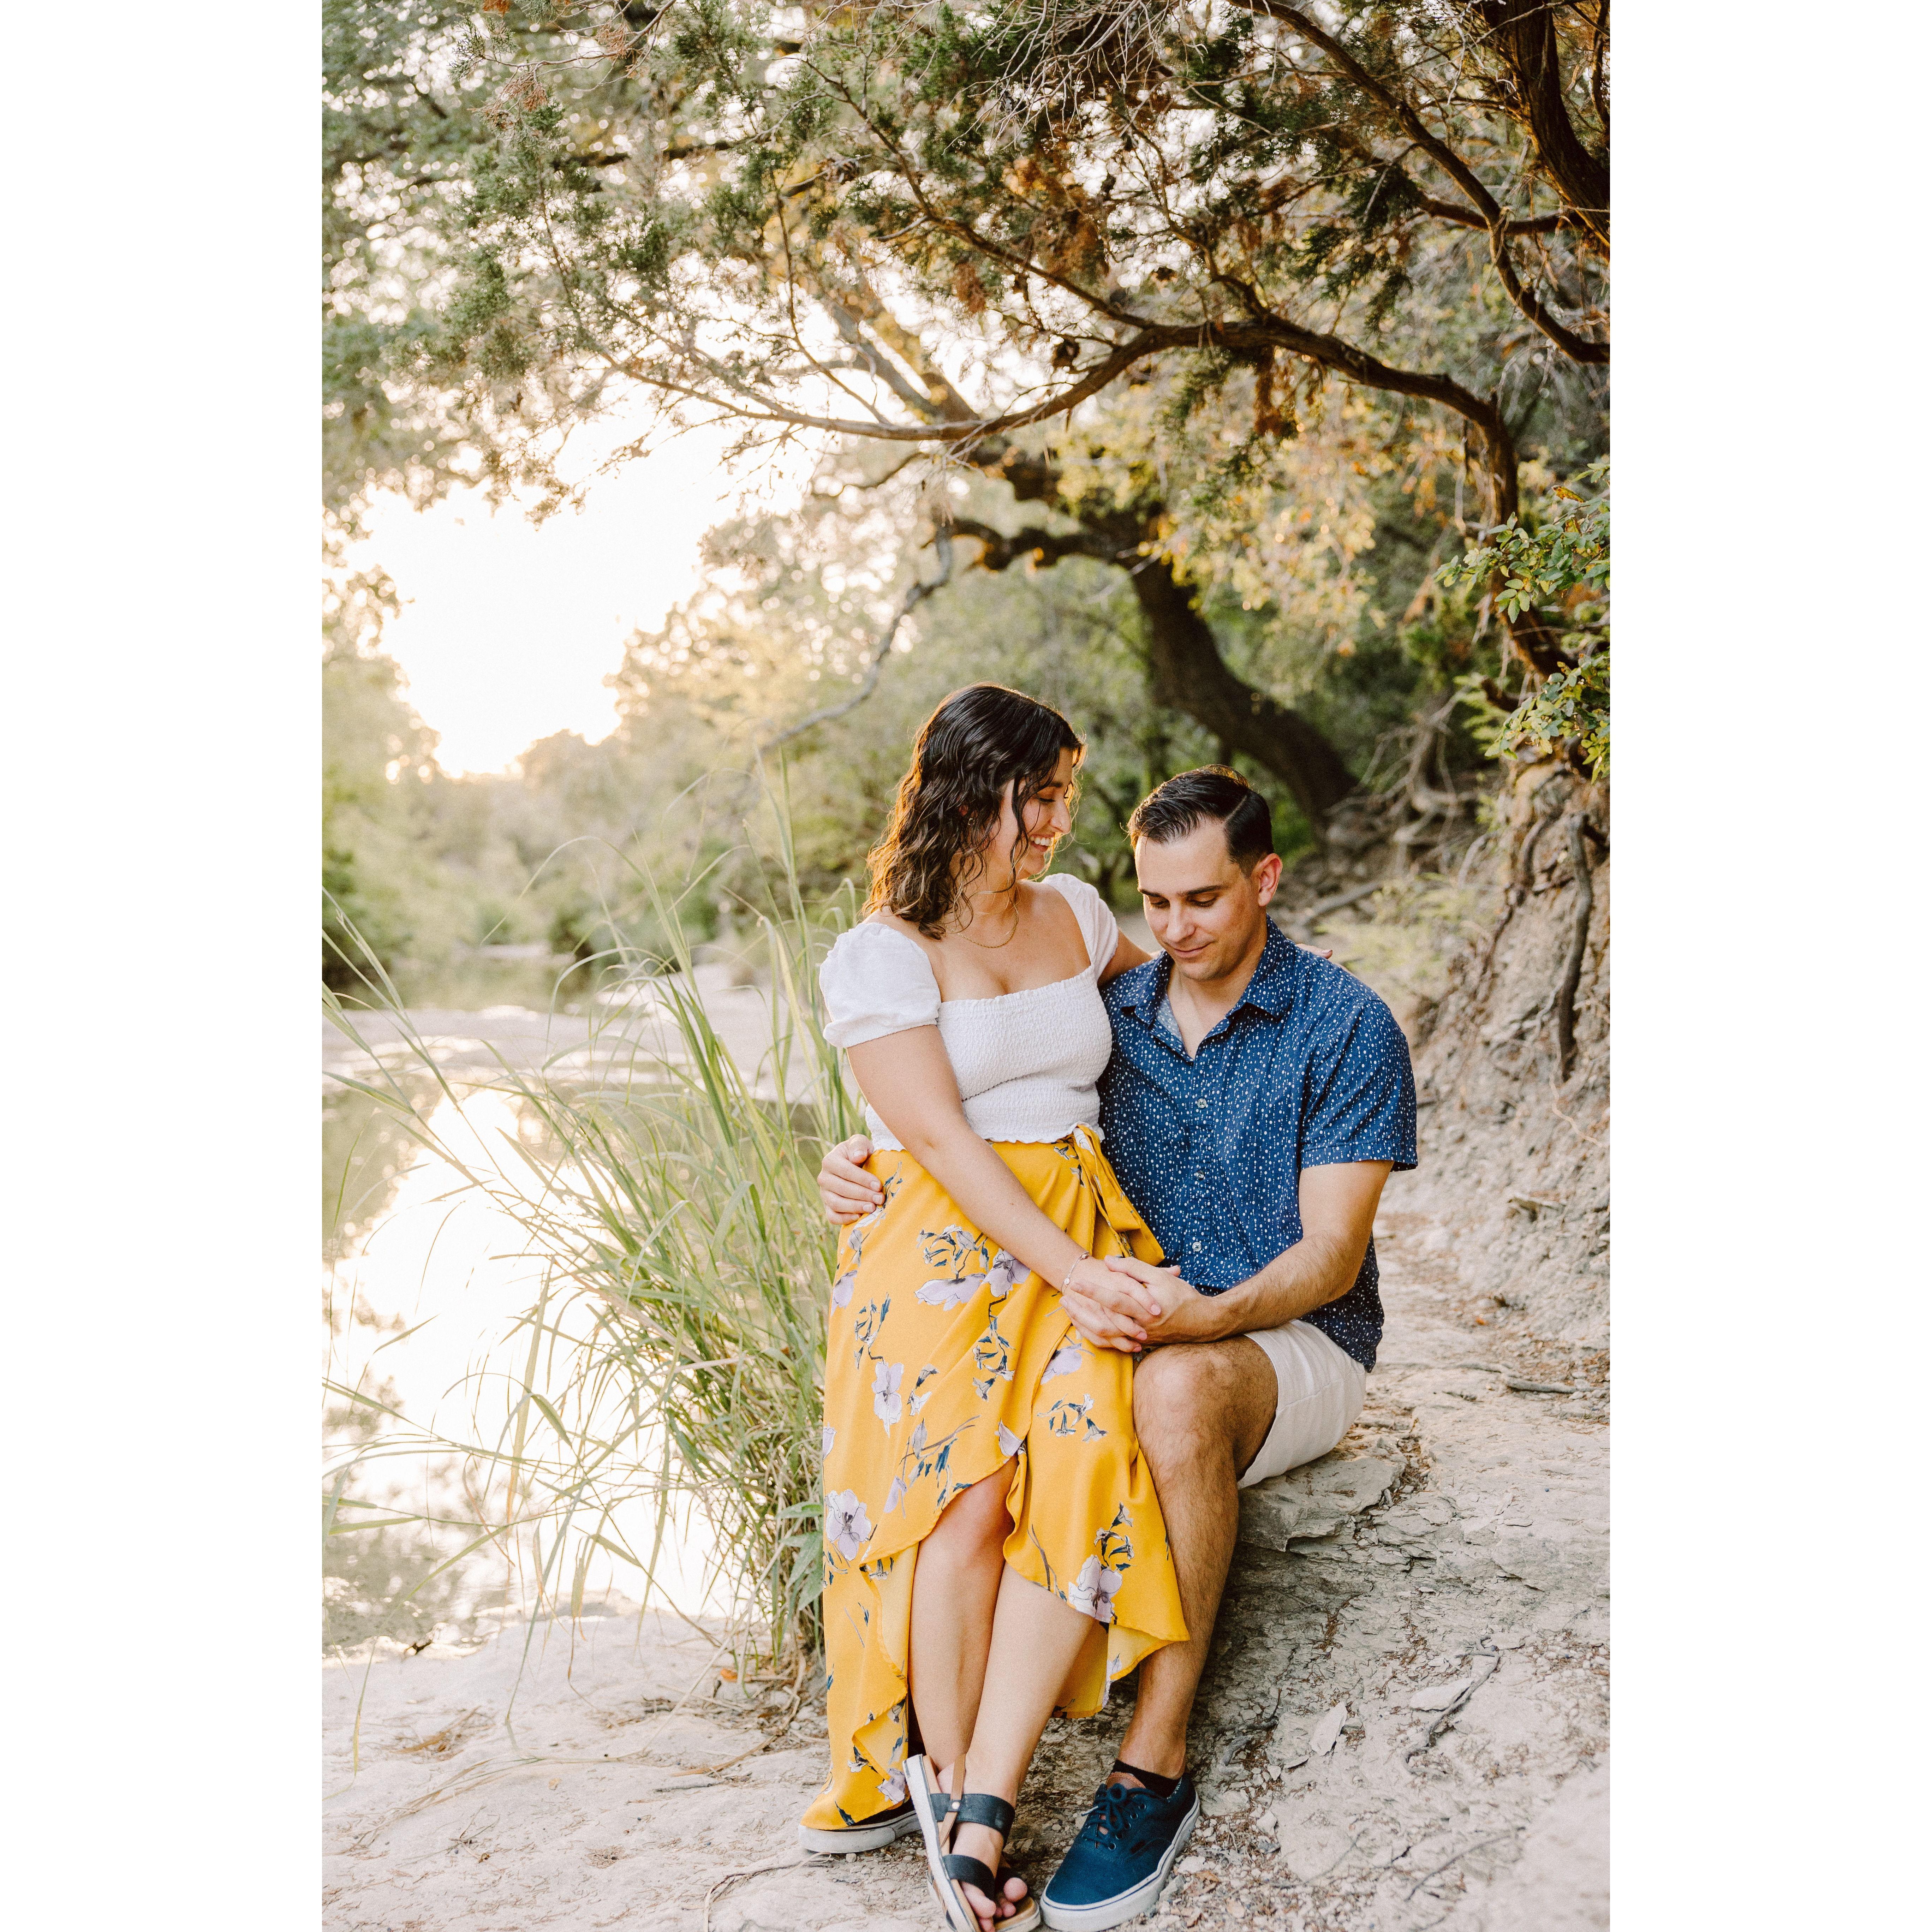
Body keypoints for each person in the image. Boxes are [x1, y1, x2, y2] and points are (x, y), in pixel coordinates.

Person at [818, 764, 1417, 1931]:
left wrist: (1186, 1314)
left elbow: (1331, 1259)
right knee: (1054, 1428)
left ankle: (1154, 1762)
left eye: (1205, 900)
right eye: (1157, 905)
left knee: (1175, 1389)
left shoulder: (1346, 1025)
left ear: (1267, 878)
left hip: (1292, 1344)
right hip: (1134, 1324)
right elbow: (990, 1093)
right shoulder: (1121, 1014)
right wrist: (863, 1151)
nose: (1178, 930)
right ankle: (976, 1801)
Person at [798, 684, 1190, 1932]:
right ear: (974, 796)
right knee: (966, 1502)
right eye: (1044, 795)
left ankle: (980, 1798)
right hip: (940, 1243)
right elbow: (945, 1145)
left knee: (1082, 1449)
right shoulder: (882, 955)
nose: (1062, 822)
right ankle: (957, 1789)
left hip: (1079, 1227)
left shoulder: (1077, 916)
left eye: (1067, 793)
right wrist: (852, 1156)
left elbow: (1191, 1012)